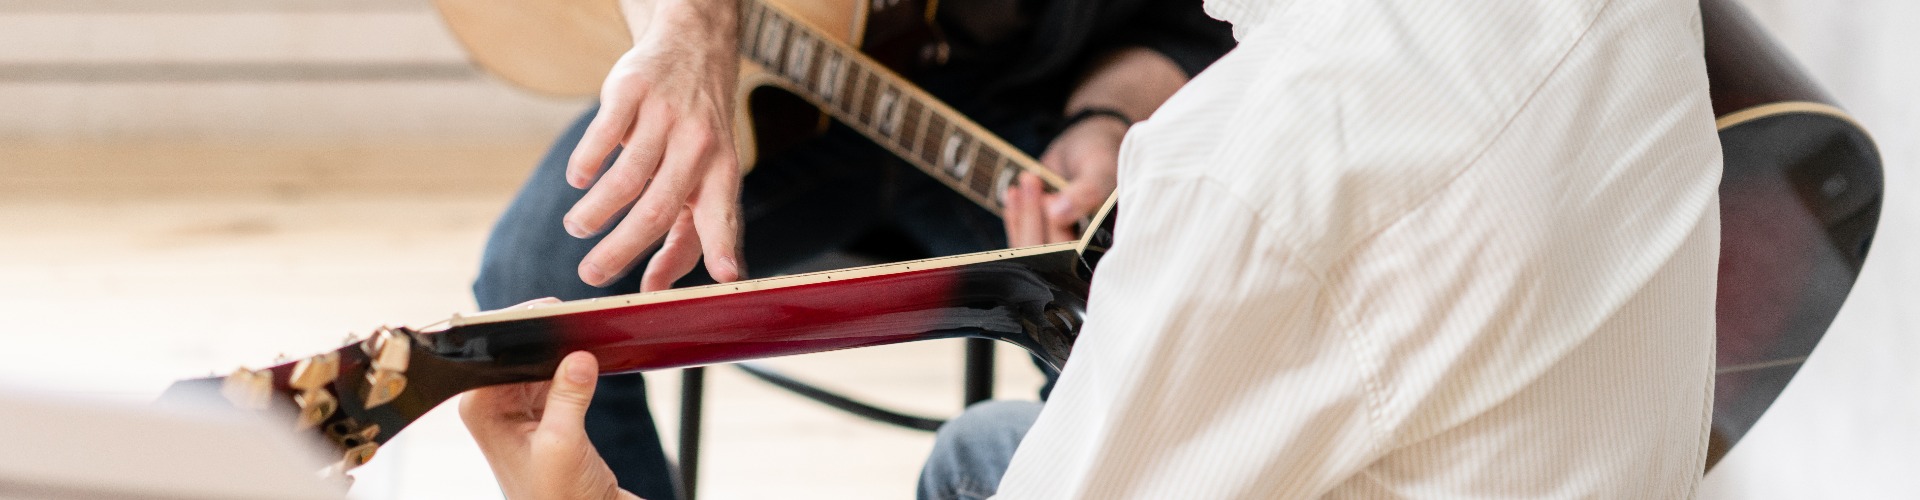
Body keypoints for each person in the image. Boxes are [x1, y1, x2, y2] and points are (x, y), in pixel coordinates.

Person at [466, 0, 1723, 497]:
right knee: (976, 451)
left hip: (1039, 125)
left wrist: (1115, 120)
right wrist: (690, 29)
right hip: (775, 94)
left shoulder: (1249, 179)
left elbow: (1186, 47)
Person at [470, 0, 1233, 498]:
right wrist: (690, 23)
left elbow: (1182, 23)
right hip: (756, 78)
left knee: (1121, 331)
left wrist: (1107, 115)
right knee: (534, 284)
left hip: (1026, 107)